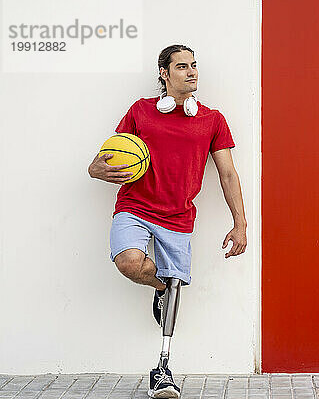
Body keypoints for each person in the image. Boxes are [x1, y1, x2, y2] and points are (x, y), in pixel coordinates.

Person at [88, 44, 247, 399]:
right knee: (129, 261)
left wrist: (241, 223)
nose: (191, 72)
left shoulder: (212, 120)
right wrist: (96, 168)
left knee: (178, 286)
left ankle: (163, 369)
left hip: (178, 216)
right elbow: (104, 158)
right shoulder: (140, 112)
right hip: (134, 205)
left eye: (194, 66)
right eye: (181, 67)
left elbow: (228, 175)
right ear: (164, 73)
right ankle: (161, 289)